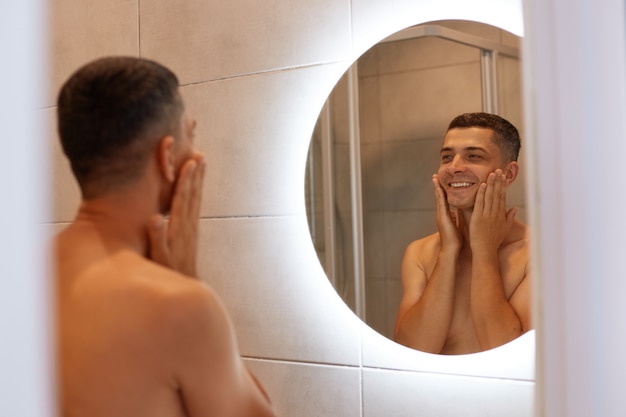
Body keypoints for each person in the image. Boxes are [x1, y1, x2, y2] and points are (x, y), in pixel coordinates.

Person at [54, 56, 276, 417]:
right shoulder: (181, 306)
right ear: (168, 156)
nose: (198, 153)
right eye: (191, 134)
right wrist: (186, 278)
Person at [394, 112, 531, 355]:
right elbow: (412, 352)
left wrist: (485, 252)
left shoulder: (540, 256)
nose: (454, 167)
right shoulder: (421, 253)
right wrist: (448, 253)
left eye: (473, 156)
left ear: (509, 174)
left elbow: (510, 359)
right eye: (447, 157)